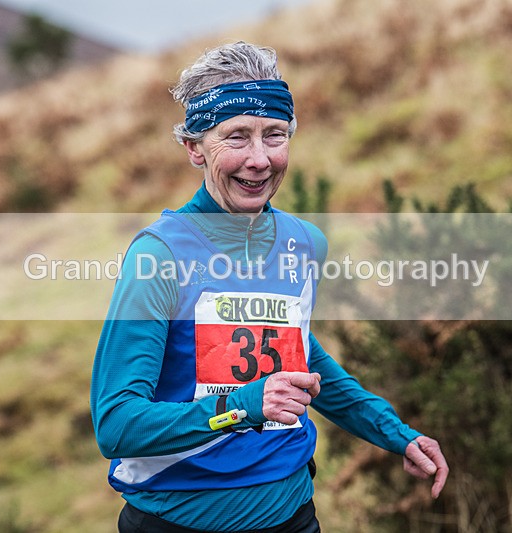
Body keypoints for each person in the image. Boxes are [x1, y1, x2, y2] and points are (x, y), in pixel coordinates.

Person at [90, 41, 448, 533]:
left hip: (294, 516)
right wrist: (241, 406)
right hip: (178, 522)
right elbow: (116, 426)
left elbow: (301, 358)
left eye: (274, 135)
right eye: (236, 137)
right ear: (195, 148)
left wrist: (394, 432)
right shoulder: (160, 256)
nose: (259, 159)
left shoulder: (305, 244)